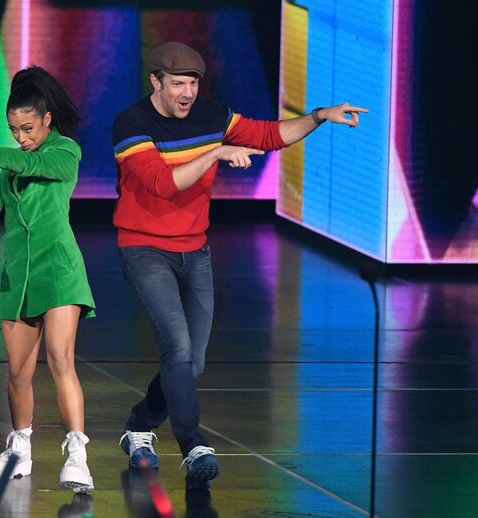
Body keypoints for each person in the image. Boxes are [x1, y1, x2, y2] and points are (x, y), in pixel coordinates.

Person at [112, 42, 368, 489]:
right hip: (145, 248)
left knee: (192, 362)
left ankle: (138, 427)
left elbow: (268, 135)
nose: (187, 93)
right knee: (176, 345)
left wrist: (318, 116)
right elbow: (162, 183)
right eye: (177, 84)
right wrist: (214, 154)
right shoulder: (132, 123)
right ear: (156, 82)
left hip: (196, 250)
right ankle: (193, 445)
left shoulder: (212, 115)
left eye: (192, 83)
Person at [0, 66, 96, 492]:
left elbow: (33, 163)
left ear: (47, 119)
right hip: (19, 275)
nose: (21, 137)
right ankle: (19, 451)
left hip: (59, 271)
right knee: (17, 372)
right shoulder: (13, 163)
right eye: (14, 130)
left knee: (59, 359)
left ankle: (77, 454)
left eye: (27, 128)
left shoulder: (64, 152)